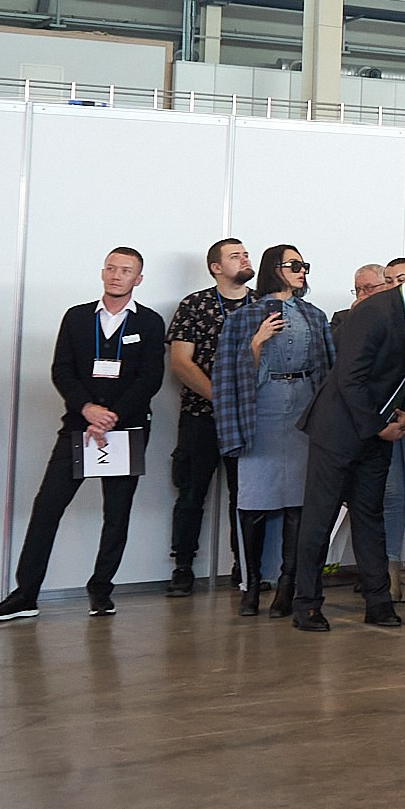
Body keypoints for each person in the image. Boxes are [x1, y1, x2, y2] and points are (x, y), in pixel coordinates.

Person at [0, 249, 168, 622]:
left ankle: (101, 589)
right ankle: (26, 594)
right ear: (102, 272)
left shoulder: (149, 323)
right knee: (47, 506)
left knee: (116, 513)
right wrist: (87, 409)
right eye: (112, 268)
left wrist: (112, 417)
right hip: (78, 426)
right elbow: (61, 369)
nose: (117, 275)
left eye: (126, 271)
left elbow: (150, 378)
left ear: (139, 279)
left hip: (127, 429)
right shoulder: (77, 317)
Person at [291, 257, 405, 632]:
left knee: (370, 516)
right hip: (339, 429)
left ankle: (378, 601)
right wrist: (380, 426)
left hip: (376, 429)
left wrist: (403, 411)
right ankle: (306, 602)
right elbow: (350, 378)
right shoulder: (375, 311)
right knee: (320, 518)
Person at [214, 246, 333, 618]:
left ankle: (288, 584)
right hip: (261, 408)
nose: (301, 271)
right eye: (293, 265)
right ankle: (250, 587)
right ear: (274, 269)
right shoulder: (244, 316)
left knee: (298, 502)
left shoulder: (314, 316)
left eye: (304, 266)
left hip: (303, 405)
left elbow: (327, 369)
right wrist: (257, 341)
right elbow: (228, 374)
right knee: (253, 502)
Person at [164, 238, 252, 598]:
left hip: (248, 418)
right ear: (216, 267)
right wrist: (221, 397)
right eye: (235, 256)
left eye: (246, 254)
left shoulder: (262, 304)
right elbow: (181, 362)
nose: (245, 259)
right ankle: (183, 566)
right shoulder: (194, 305)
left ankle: (244, 565)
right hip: (202, 415)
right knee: (191, 493)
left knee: (245, 496)